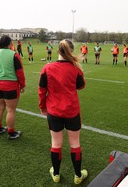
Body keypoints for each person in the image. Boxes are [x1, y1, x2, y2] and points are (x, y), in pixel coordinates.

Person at [38, 39, 88, 184]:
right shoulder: (75, 69)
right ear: (70, 51)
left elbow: (42, 91)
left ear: (58, 51)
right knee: (75, 143)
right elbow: (81, 86)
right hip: (72, 111)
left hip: (54, 112)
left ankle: (56, 174)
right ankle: (78, 175)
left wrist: (42, 106)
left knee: (56, 143)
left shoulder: (47, 68)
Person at [0, 35, 26, 139]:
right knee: (11, 110)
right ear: (10, 44)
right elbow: (20, 72)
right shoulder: (14, 55)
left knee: (0, 107)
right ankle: (11, 132)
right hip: (10, 85)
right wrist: (22, 85)